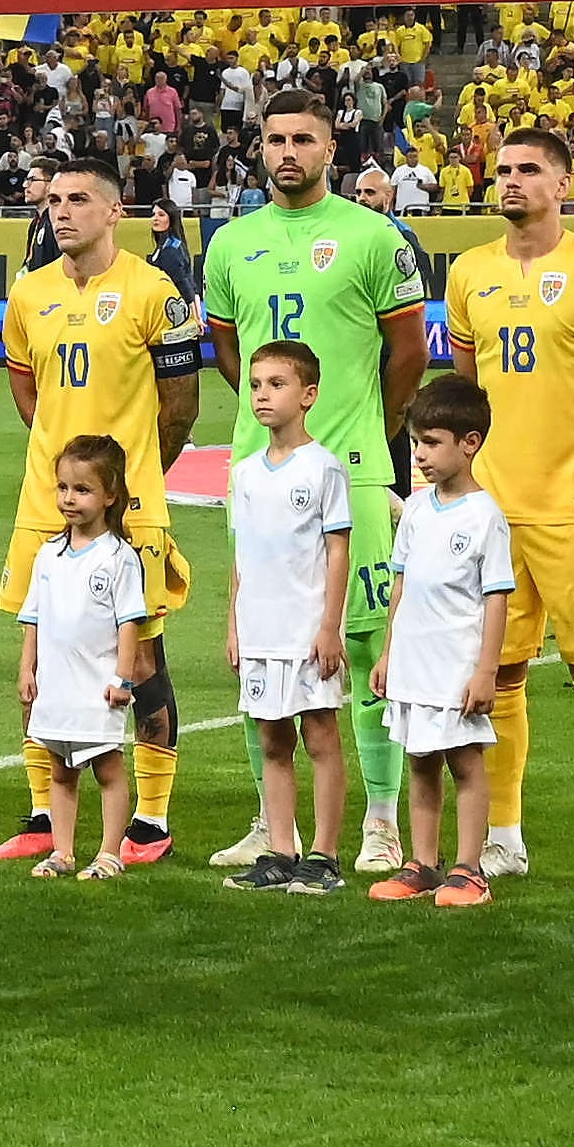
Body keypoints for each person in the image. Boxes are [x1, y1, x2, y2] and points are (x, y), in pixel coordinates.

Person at [192, 90, 426, 873]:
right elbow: (231, 352)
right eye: (274, 137)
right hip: (258, 472)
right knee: (262, 641)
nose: (287, 150)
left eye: (302, 138)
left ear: (332, 147)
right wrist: (269, 424)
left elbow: (409, 354)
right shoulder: (230, 241)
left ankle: (382, 822)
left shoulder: (374, 236)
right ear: (259, 147)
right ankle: (273, 826)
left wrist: (368, 429)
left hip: (354, 467)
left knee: (359, 646)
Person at [442, 126, 574, 886]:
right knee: (499, 675)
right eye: (503, 169)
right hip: (495, 509)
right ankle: (504, 834)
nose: (512, 180)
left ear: (564, 184)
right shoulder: (469, 272)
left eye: (530, 169)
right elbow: (467, 390)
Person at [3, 148, 208, 868]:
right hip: (44, 506)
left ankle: (150, 818)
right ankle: (42, 811)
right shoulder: (28, 293)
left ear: (114, 210)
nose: (61, 211)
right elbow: (25, 387)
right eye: (54, 199)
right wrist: (63, 470)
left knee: (143, 658)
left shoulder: (155, 291)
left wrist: (130, 483)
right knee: (41, 655)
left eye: (79, 199)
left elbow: (180, 406)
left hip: (131, 511)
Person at [217, 334, 355, 891]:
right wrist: (233, 624)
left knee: (320, 737)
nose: (262, 396)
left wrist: (329, 627)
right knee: (272, 739)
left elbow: (339, 550)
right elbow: (241, 554)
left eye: (277, 384)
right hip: (260, 628)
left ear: (308, 394)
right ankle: (280, 851)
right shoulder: (246, 473)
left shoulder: (323, 469)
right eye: (256, 385)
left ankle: (323, 855)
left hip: (305, 630)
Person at [379, 371, 507, 908]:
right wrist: (389, 651)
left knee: (465, 762)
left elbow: (496, 598)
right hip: (414, 660)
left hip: (456, 664)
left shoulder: (486, 518)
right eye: (415, 442)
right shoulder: (416, 510)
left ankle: (469, 868)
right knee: (420, 760)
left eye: (431, 443)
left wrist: (485, 671)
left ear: (469, 443)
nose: (420, 455)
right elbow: (401, 585)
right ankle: (423, 863)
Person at [12, 431, 155, 880]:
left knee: (108, 768)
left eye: (82, 489)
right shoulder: (49, 555)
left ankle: (110, 852)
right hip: (56, 686)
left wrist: (123, 679)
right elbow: (33, 618)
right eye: (63, 488)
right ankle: (63, 852)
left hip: (97, 688)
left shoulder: (119, 559)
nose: (69, 499)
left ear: (111, 495)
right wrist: (26, 669)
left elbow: (129, 623)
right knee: (60, 770)